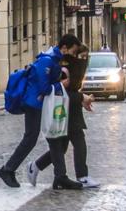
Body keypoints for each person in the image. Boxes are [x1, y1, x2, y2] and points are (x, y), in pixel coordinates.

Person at [0, 34, 83, 190]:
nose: (73, 55)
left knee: (55, 138)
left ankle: (60, 177)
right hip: (34, 104)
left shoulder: (53, 60)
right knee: (31, 138)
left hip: (43, 104)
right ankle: (7, 169)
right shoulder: (47, 60)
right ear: (64, 48)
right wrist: (58, 86)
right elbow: (43, 86)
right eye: (72, 51)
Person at [28, 43, 98, 188]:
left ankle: (36, 166)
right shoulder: (64, 69)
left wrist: (82, 99)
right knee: (77, 141)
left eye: (86, 57)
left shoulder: (69, 66)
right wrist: (81, 98)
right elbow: (60, 92)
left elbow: (71, 90)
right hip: (62, 110)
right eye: (81, 56)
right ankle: (81, 176)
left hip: (70, 110)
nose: (84, 60)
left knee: (63, 147)